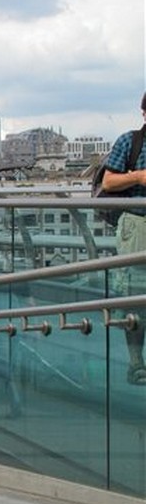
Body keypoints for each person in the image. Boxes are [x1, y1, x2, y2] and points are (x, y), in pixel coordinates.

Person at [101, 91, 146, 386]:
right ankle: (136, 363)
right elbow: (108, 181)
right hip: (138, 223)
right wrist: (139, 177)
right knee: (136, 295)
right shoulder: (130, 142)